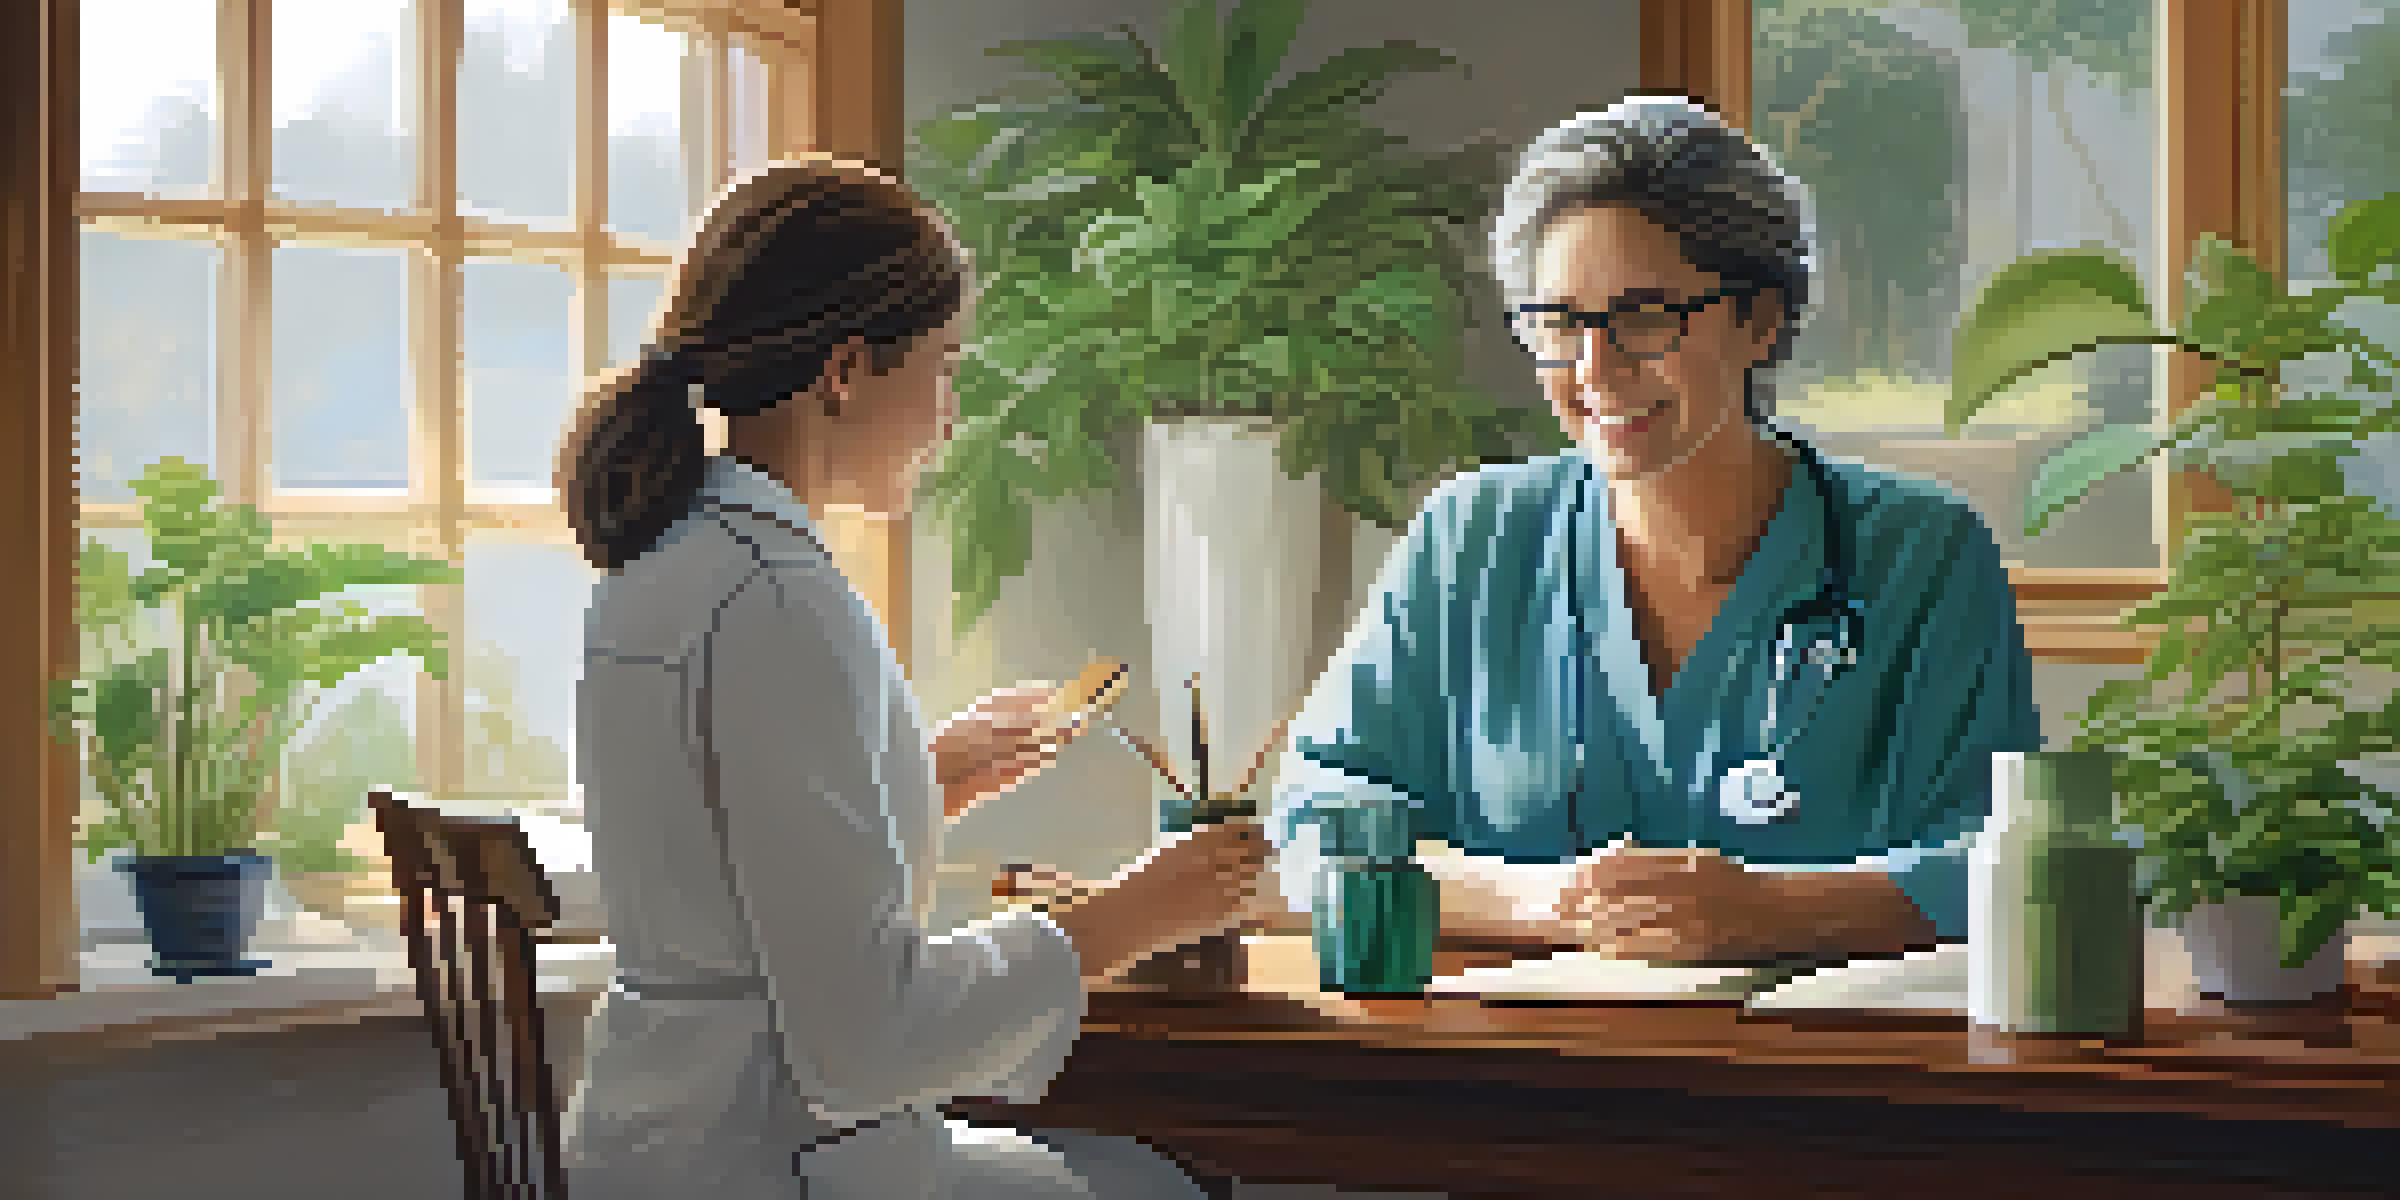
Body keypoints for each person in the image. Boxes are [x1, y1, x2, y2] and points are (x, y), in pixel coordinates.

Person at [558, 156, 1268, 1200]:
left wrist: (925, 778)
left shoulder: (665, 565)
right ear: (846, 370)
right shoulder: (782, 602)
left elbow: (715, 864)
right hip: (773, 1163)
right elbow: (864, 1042)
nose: (949, 412)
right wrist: (1132, 916)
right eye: (942, 367)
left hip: (657, 1147)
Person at [1266, 96, 2043, 965]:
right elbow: (1312, 832)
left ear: (1761, 319)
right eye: (1560, 324)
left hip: (1829, 1084)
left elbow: (2005, 865)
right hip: (1505, 1075)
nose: (1594, 369)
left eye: (1642, 317)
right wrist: (1545, 902)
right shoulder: (1471, 540)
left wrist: (1775, 913)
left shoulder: (1921, 555)